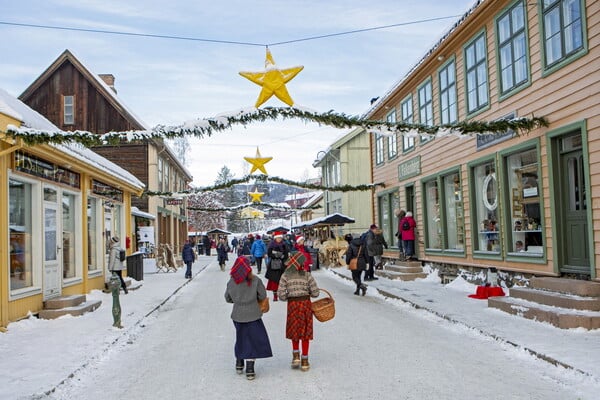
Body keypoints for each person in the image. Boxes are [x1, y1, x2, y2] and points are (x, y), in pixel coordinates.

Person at [224, 256, 273, 380]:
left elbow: (228, 298)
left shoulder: (231, 282)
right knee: (252, 340)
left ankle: (239, 362)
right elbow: (262, 295)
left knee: (241, 337)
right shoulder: (255, 280)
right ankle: (250, 369)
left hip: (237, 315)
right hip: (253, 314)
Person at [277, 252, 320, 371]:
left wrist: (289, 297)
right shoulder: (307, 275)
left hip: (292, 305)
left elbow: (280, 294)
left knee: (294, 330)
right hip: (305, 305)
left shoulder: (285, 275)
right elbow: (316, 293)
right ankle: (305, 360)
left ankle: (296, 357)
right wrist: (308, 293)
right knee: (305, 332)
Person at [265, 232, 289, 301]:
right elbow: (269, 254)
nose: (279, 239)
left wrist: (283, 256)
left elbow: (286, 254)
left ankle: (283, 294)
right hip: (274, 265)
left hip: (282, 265)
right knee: (274, 281)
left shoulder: (284, 245)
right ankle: (275, 295)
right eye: (278, 238)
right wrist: (276, 255)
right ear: (275, 238)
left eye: (280, 238)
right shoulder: (271, 245)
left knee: (283, 280)